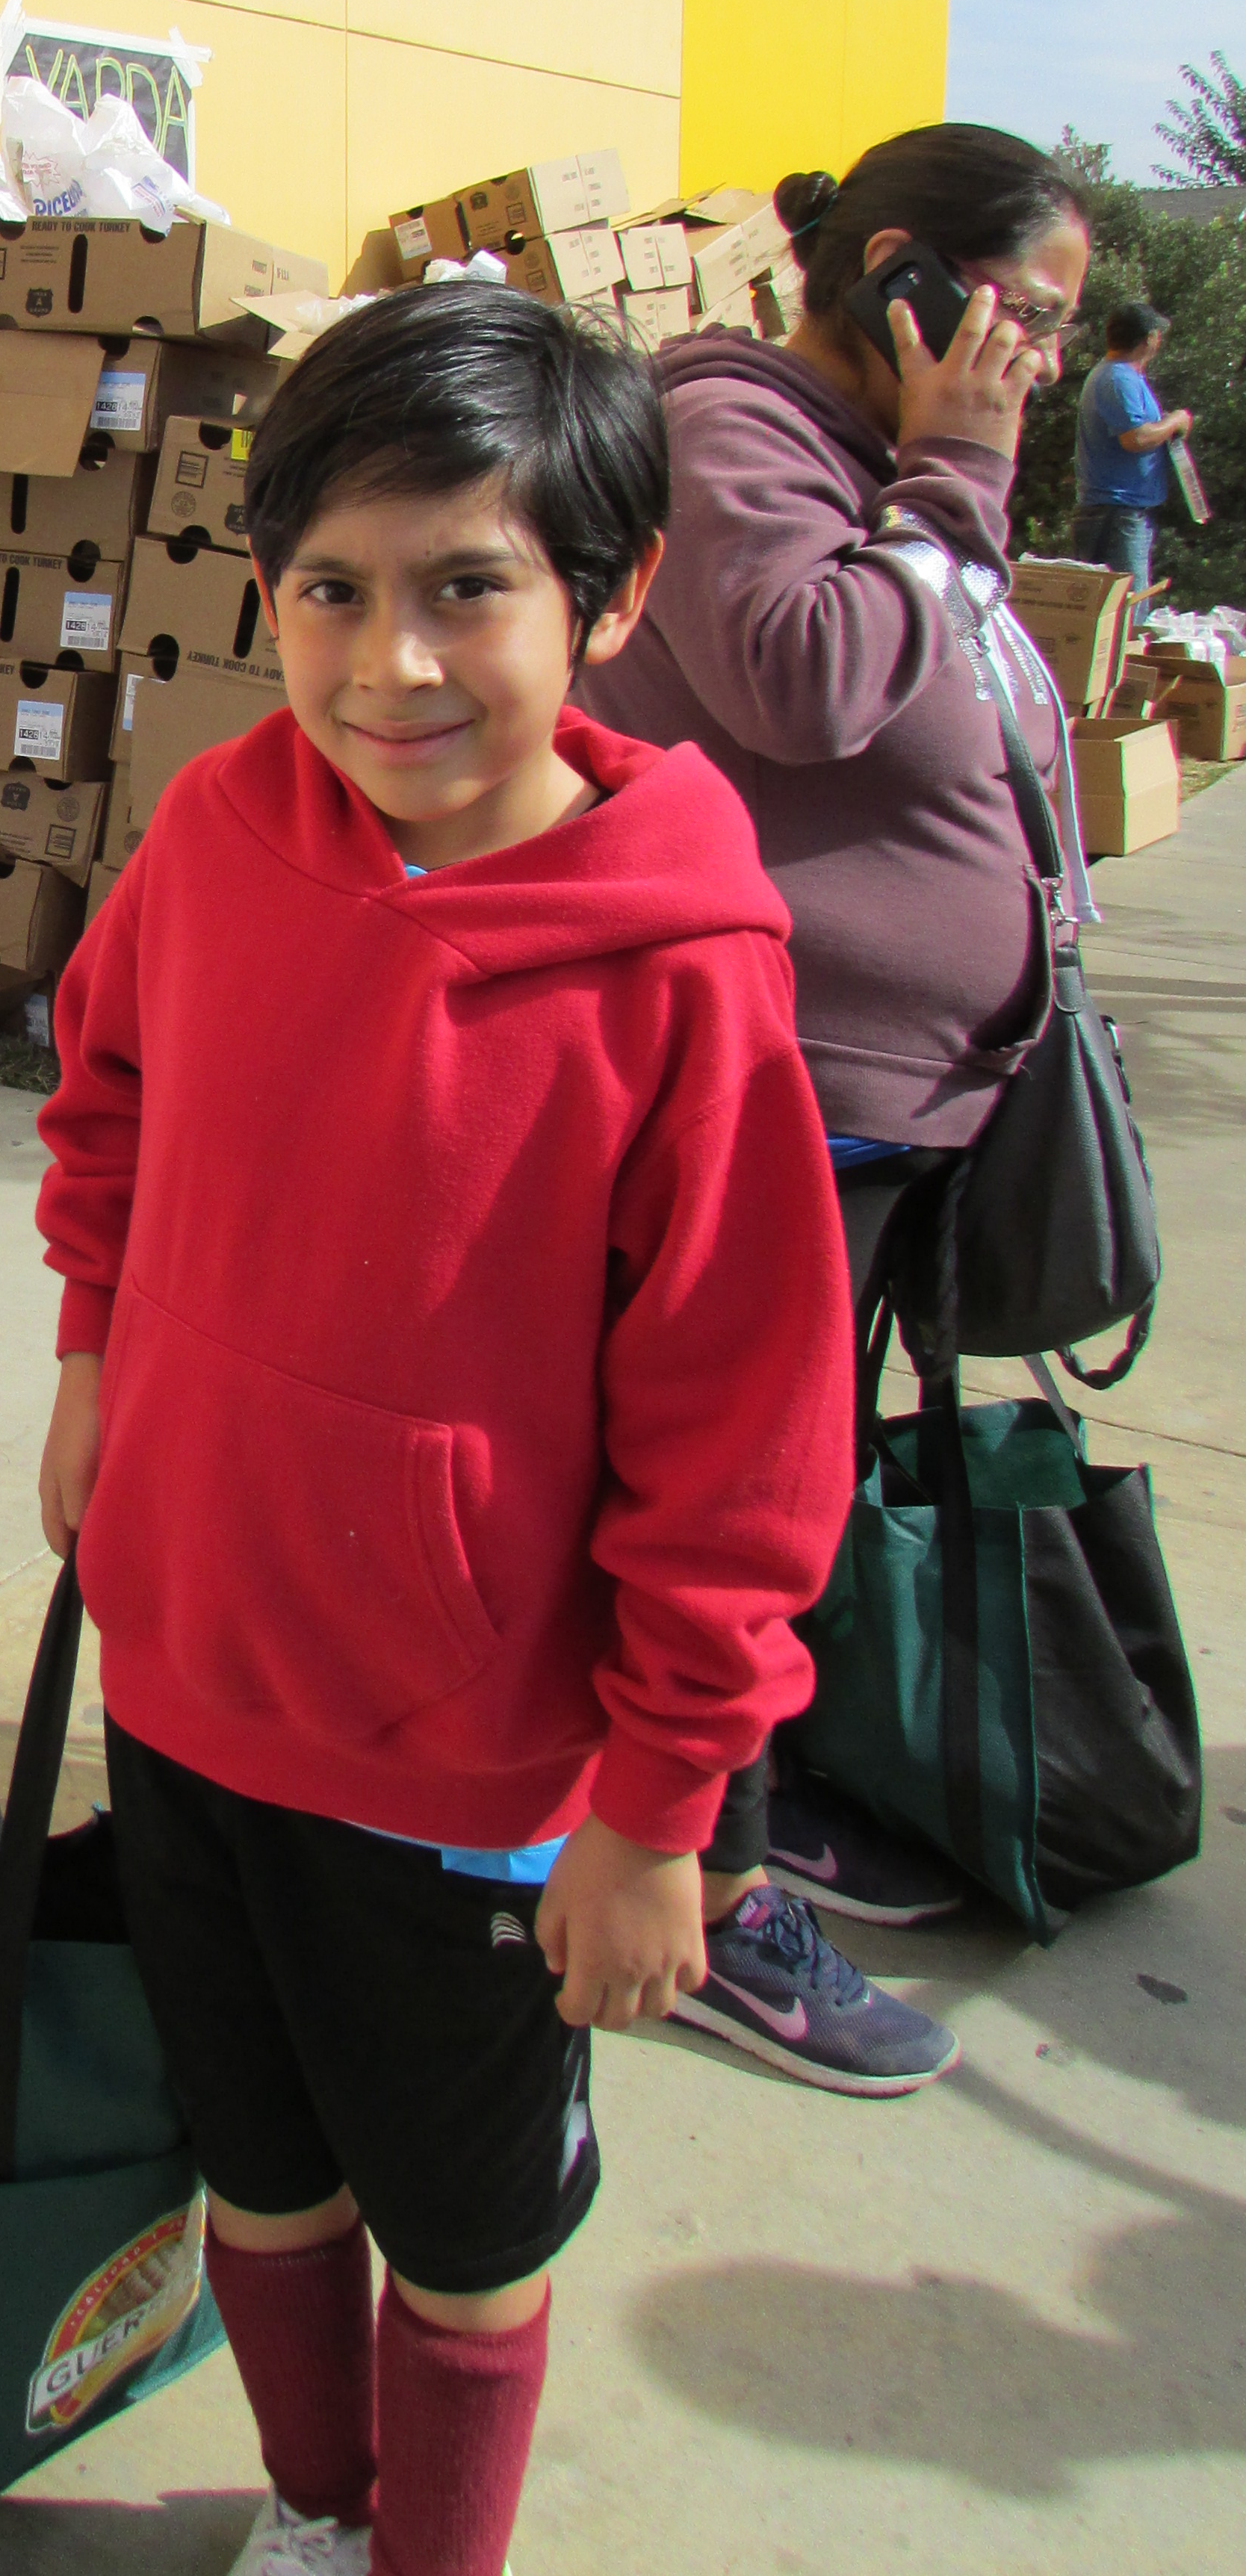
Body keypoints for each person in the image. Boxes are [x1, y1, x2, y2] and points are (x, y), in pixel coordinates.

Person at [34, 284, 856, 2576]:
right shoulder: (215, 832)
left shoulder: (683, 977)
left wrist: (660, 1801)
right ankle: (315, 2509)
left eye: (466, 590)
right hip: (190, 1694)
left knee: (463, 2237)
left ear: (611, 601)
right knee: (260, 2171)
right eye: (331, 593)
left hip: (474, 1787)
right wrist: (101, 1360)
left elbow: (745, 1447)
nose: (389, 667)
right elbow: (102, 1103)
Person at [582, 122, 1091, 2084]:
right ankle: (707, 1899)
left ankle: (746, 1804)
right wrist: (956, 481)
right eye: (1020, 317)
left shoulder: (873, 462)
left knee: (791, 1495)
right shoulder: (735, 435)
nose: (1033, 361)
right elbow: (801, 680)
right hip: (780, 1090)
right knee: (733, 1505)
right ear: (904, 277)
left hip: (891, 1102)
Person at [1074, 298, 1190, 589]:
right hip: (1118, 513)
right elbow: (1135, 439)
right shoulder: (1118, 378)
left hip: (1119, 511)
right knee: (1127, 607)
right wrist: (1175, 422)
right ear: (1149, 338)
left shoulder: (1122, 375)